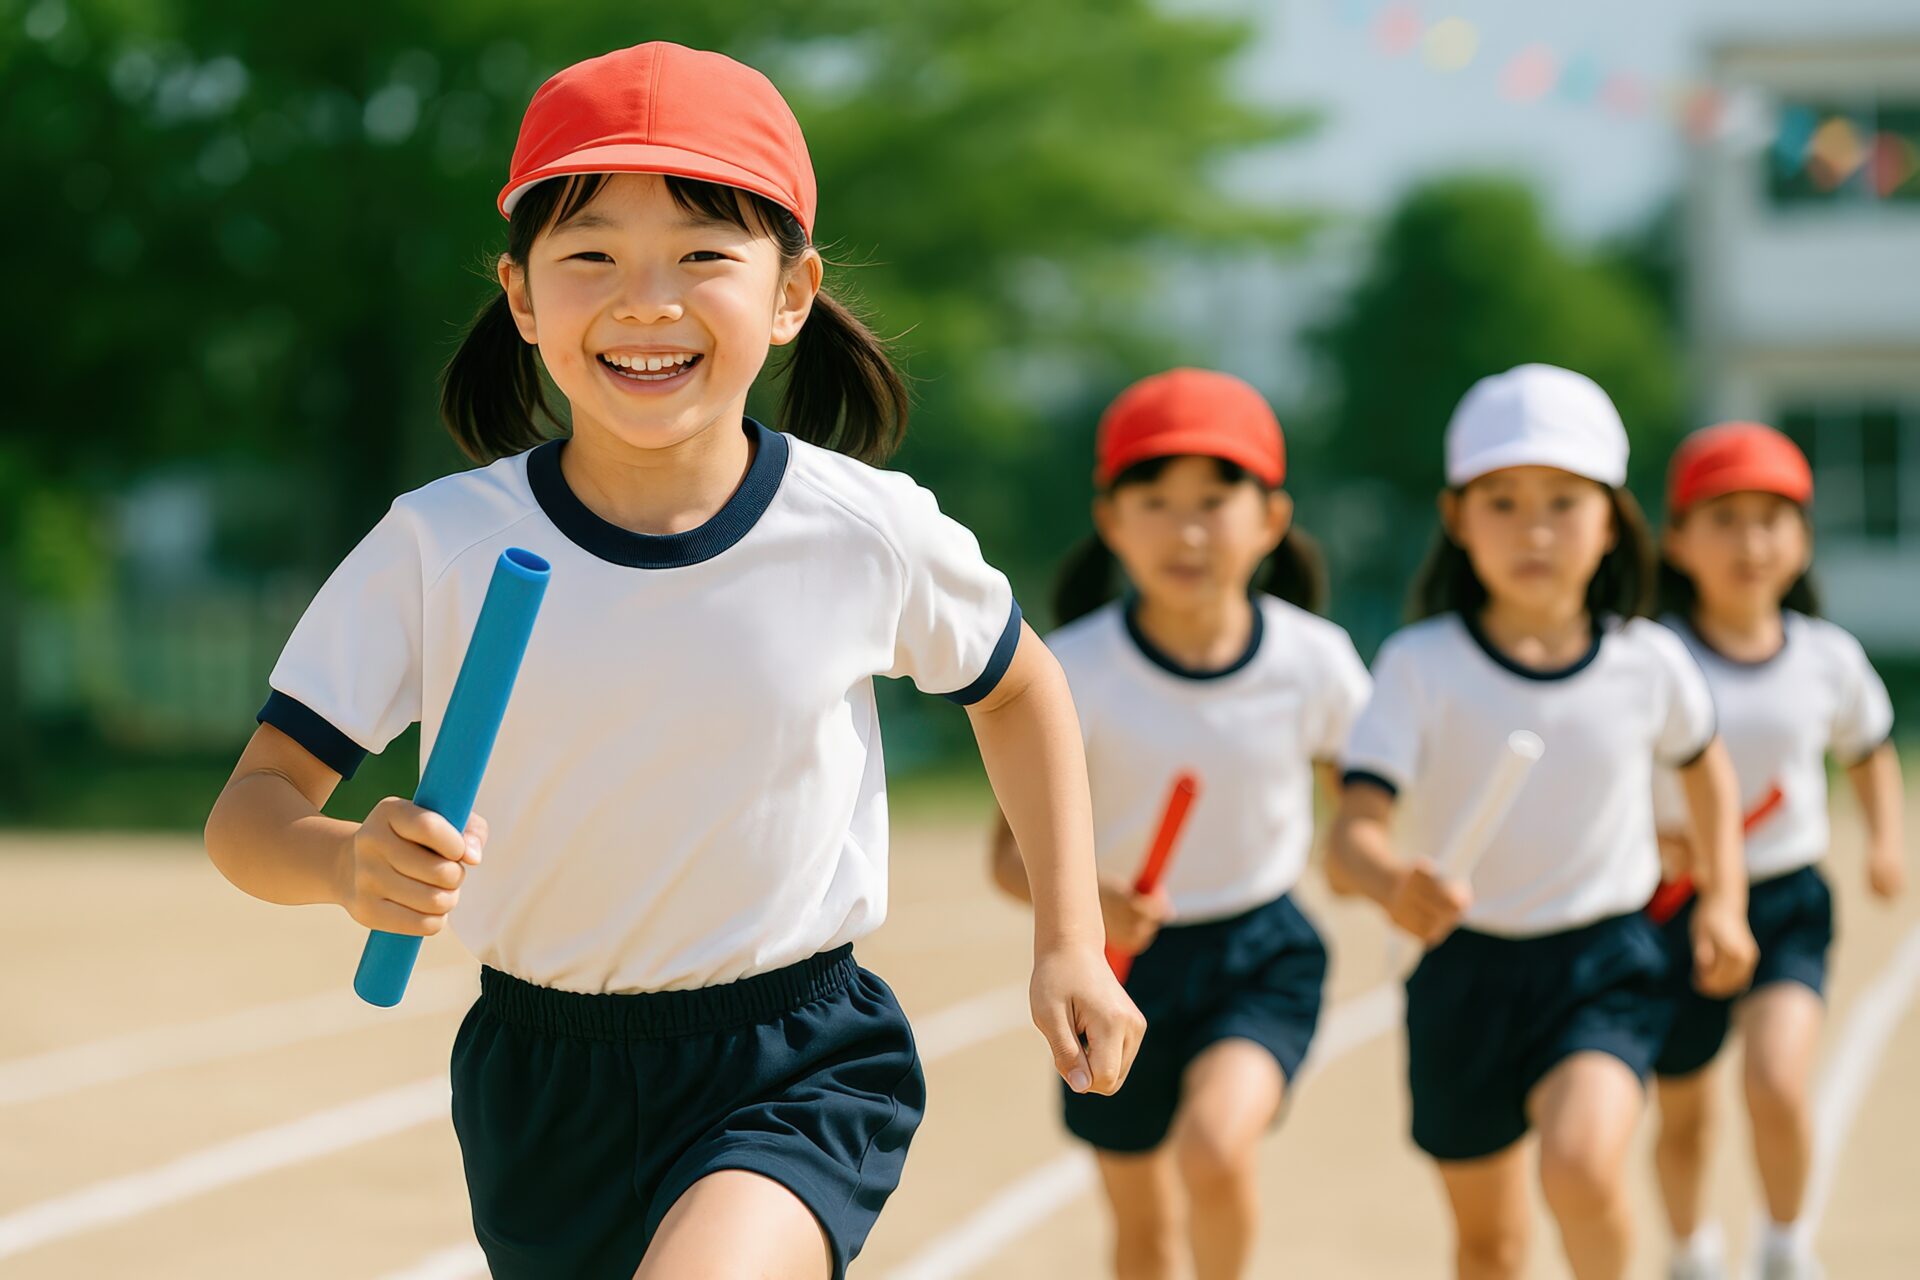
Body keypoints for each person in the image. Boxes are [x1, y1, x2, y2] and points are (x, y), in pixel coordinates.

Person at [203, 42, 1141, 1280]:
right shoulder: (440, 544)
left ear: (792, 292)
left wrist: (1068, 934)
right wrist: (345, 861)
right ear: (524, 297)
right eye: (590, 256)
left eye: (704, 254)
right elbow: (249, 814)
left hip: (796, 1055)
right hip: (541, 1076)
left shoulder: (867, 529)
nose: (646, 300)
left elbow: (1019, 684)